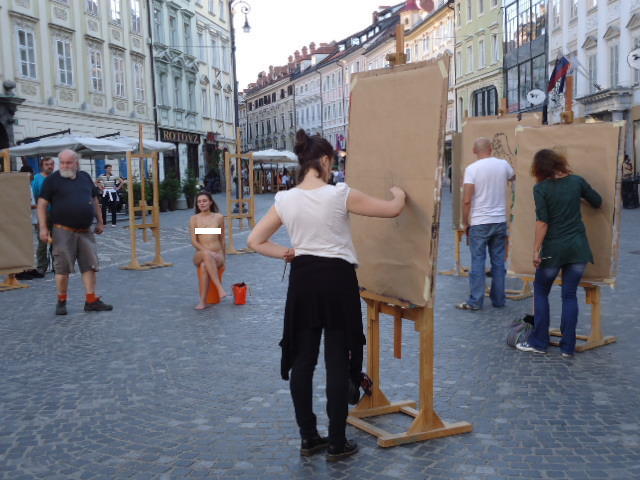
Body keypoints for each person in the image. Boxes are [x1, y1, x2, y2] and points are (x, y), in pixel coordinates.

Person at [247, 130, 406, 461]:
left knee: (302, 361)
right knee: (337, 361)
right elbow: (392, 210)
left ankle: (308, 437)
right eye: (332, 163)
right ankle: (336, 441)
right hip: (337, 279)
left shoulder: (285, 199)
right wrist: (399, 192)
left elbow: (255, 241)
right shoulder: (339, 194)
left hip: (303, 279)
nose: (333, 169)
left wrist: (287, 253)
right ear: (323, 160)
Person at [517, 149, 602, 357]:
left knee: (540, 290)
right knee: (569, 295)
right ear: (559, 162)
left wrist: (536, 250)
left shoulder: (541, 188)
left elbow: (542, 222)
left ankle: (539, 342)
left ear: (539, 169)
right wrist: (577, 198)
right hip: (578, 248)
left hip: (553, 250)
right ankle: (568, 347)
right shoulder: (577, 182)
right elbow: (597, 201)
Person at [37, 149, 113, 315]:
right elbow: (42, 204)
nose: (65, 166)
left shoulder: (85, 177)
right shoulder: (52, 180)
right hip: (63, 231)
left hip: (85, 231)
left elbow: (94, 200)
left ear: (76, 162)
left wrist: (100, 221)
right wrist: (43, 228)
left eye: (68, 162)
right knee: (62, 269)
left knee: (90, 266)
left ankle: (91, 300)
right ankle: (61, 301)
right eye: (62, 162)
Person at [457, 137, 515, 311]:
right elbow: (513, 177)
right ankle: (499, 300)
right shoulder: (503, 165)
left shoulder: (472, 169)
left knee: (478, 262)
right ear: (491, 149)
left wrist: (465, 222)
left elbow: (467, 200)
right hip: (499, 220)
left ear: (474, 151)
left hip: (479, 221)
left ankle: (476, 301)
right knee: (498, 262)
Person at [190, 191, 226, 309]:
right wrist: (208, 252)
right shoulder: (194, 219)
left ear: (210, 202)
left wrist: (224, 258)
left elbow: (222, 239)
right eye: (199, 202)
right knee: (206, 255)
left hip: (217, 254)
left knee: (205, 266)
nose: (202, 203)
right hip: (200, 254)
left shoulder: (219, 217)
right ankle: (219, 288)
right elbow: (194, 241)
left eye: (204, 201)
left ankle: (203, 301)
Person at [32, 157, 56, 275]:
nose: (50, 166)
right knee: (42, 242)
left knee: (56, 241)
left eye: (51, 164)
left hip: (57, 214)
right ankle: (42, 266)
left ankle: (56, 265)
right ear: (42, 166)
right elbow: (35, 196)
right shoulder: (37, 178)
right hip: (43, 214)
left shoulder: (57, 178)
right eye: (47, 164)